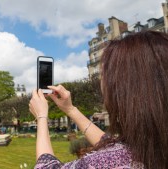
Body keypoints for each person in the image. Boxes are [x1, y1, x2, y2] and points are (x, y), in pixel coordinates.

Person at [29, 31, 168, 169]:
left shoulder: (102, 162)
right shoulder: (151, 147)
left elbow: (45, 166)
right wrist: (70, 109)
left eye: (105, 75)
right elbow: (113, 146)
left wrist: (41, 117)